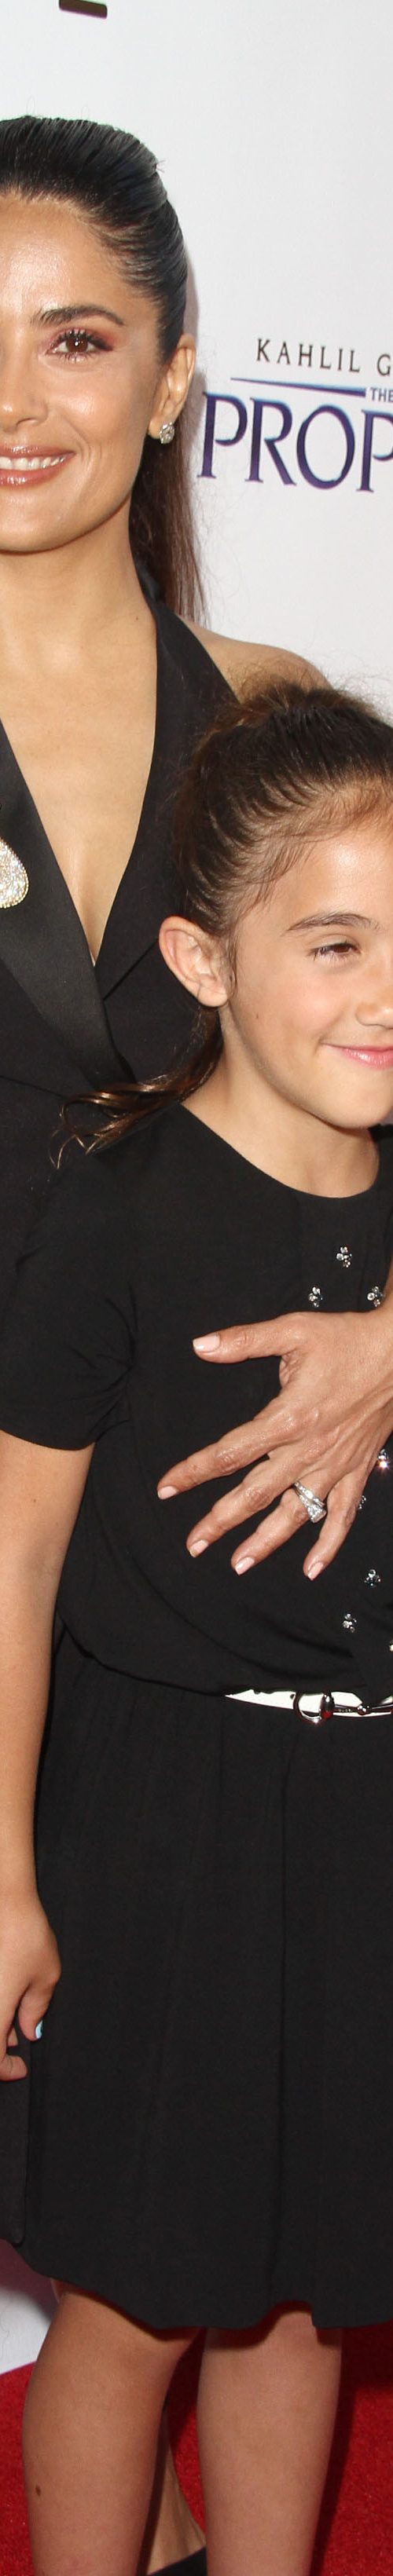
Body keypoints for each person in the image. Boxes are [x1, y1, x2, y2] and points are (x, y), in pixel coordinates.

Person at [0, 108, 325, 2575]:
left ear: (180, 372)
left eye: (75, 338)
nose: (19, 402)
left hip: (200, 1567)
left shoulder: (276, 720)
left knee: (221, 2160)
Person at [1, 681, 393, 2576]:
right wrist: (1, 1872)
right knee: (138, 2301)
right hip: (161, 1825)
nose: (385, 994)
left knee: (306, 2295)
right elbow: (13, 1558)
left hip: (363, 1816)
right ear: (200, 960)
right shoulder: (118, 1210)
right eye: (333, 943)